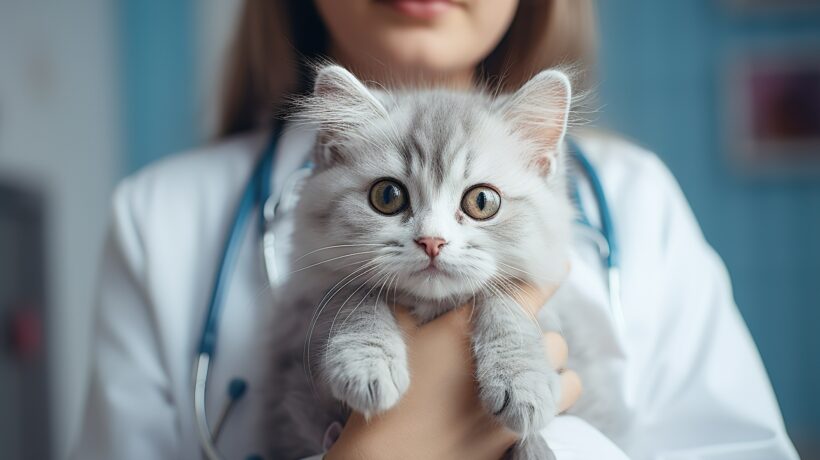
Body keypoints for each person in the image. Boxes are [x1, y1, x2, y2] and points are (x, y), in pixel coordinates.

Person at [71, 1, 799, 459]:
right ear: (333, 152)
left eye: (478, 203)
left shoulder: (638, 198)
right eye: (391, 195)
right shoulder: (157, 215)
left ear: (542, 162)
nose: (432, 236)